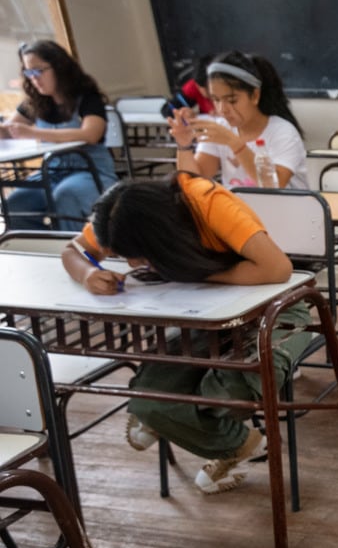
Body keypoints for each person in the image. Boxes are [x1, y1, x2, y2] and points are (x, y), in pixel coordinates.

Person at [60, 172, 310, 495]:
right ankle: (240, 443)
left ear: (157, 231)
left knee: (224, 394)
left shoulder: (206, 203)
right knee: (151, 403)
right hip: (202, 321)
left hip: (273, 313)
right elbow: (72, 251)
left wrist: (198, 275)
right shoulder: (118, 215)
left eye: (137, 253)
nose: (134, 262)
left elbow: (277, 269)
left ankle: (216, 438)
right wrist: (88, 273)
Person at [0, 40, 117, 230]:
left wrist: (33, 132)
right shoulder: (35, 102)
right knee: (15, 204)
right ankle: (46, 250)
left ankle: (75, 252)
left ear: (59, 67)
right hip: (52, 171)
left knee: (65, 196)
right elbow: (8, 131)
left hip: (90, 170)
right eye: (29, 73)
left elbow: (90, 134)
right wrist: (5, 129)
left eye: (39, 71)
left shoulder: (87, 97)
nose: (34, 78)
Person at [167, 51, 308, 190]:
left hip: (283, 211)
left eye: (232, 100)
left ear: (255, 96)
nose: (222, 109)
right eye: (215, 100)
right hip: (239, 212)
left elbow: (273, 186)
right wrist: (184, 145)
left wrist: (234, 142)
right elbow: (194, 182)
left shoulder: (283, 132)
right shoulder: (219, 127)